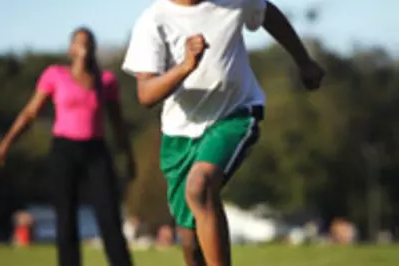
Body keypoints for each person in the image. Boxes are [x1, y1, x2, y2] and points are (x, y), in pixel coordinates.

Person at [122, 0, 325, 265]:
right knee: (190, 239)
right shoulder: (153, 20)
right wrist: (185, 66)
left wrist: (304, 61)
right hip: (179, 132)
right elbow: (146, 94)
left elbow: (267, 13)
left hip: (235, 114)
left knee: (200, 187)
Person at [0, 27, 134, 266]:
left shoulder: (106, 81)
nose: (84, 47)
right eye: (79, 43)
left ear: (93, 49)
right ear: (70, 49)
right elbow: (31, 112)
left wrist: (128, 156)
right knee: (66, 217)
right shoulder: (55, 75)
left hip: (96, 150)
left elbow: (118, 123)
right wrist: (6, 143)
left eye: (89, 43)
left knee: (109, 216)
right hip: (64, 150)